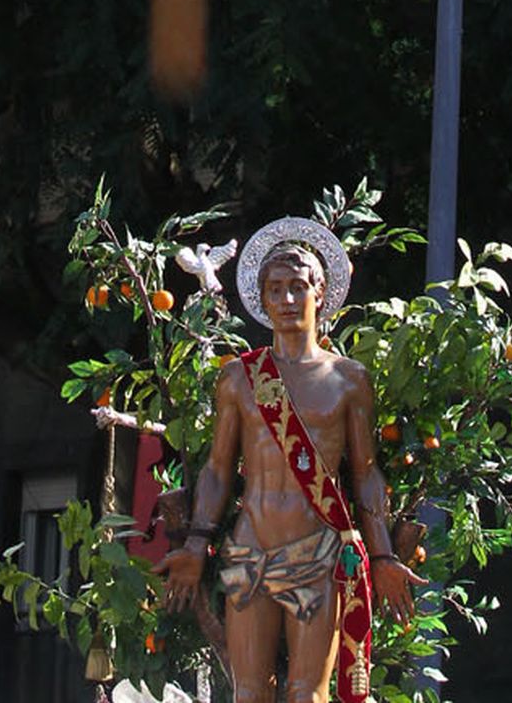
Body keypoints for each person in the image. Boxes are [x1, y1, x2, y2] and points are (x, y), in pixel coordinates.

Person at [162, 216, 419, 703]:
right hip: (250, 547)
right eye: (275, 289)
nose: (285, 300)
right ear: (261, 299)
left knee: (309, 694)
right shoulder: (239, 378)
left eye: (297, 287)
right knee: (249, 693)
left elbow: (365, 474)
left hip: (319, 552)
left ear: (320, 293)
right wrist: (197, 544)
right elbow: (219, 469)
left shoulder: (349, 379)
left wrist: (382, 554)